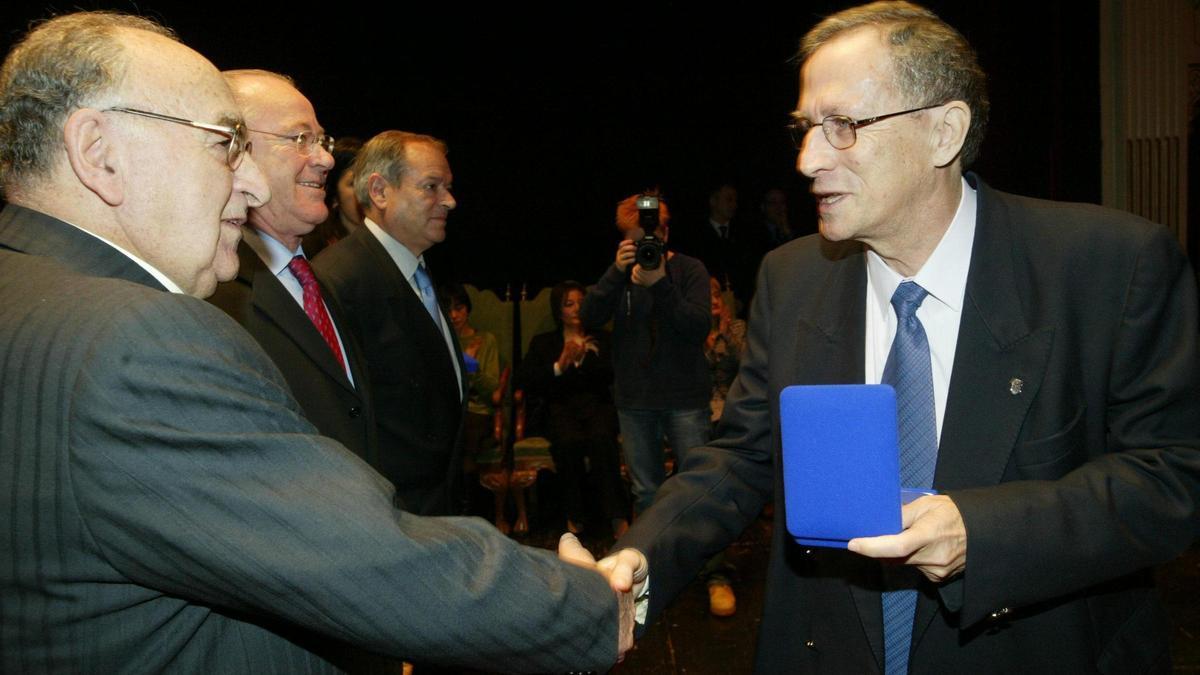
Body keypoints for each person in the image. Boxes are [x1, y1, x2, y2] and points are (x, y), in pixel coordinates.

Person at [0, 12, 634, 672]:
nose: (248, 186)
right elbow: (366, 559)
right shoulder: (138, 341)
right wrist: (586, 605)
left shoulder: (24, 292)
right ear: (99, 151)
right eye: (224, 144)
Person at [603, 1, 1200, 672]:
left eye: (842, 126)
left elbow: (1169, 478)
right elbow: (742, 458)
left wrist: (985, 534)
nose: (806, 159)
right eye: (804, 129)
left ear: (944, 133)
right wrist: (637, 563)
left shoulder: (1107, 267)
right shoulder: (792, 278)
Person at [208, 70, 376, 464]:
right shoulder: (215, 292)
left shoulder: (317, 281)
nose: (326, 159)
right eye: (301, 139)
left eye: (322, 141)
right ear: (235, 149)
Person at [314, 131, 466, 516]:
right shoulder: (338, 282)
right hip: (390, 515)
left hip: (436, 512)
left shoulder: (417, 269)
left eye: (448, 187)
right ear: (380, 192)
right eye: (431, 187)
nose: (449, 201)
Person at [579, 193, 711, 519]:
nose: (642, 249)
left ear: (664, 234)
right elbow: (589, 316)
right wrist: (614, 272)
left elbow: (696, 327)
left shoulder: (690, 270)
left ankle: (708, 568)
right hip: (635, 399)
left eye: (647, 241)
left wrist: (661, 285)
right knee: (646, 492)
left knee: (699, 488)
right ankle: (651, 567)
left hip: (685, 398)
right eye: (633, 242)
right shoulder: (621, 276)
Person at [517, 281, 630, 538]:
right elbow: (527, 380)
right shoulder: (544, 342)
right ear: (559, 310)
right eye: (570, 304)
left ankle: (616, 515)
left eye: (581, 302)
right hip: (561, 407)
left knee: (602, 438)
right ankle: (574, 515)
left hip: (596, 404)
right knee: (568, 442)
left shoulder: (602, 338)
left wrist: (582, 360)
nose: (577, 308)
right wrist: (561, 364)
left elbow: (612, 375)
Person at [303, 136, 364, 258]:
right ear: (335, 197)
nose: (366, 191)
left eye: (370, 181)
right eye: (353, 183)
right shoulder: (315, 251)